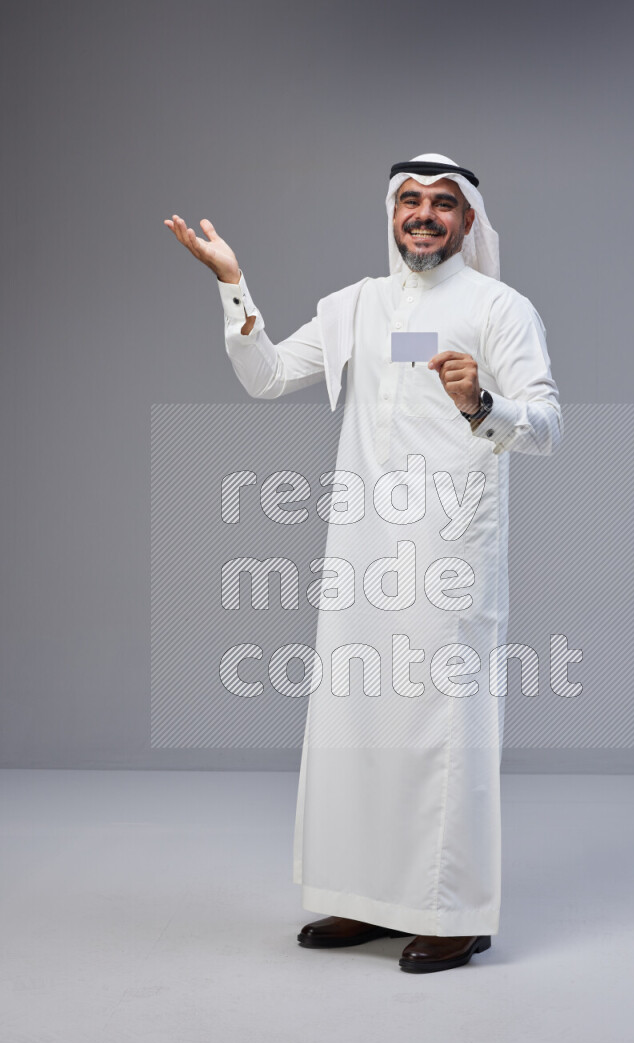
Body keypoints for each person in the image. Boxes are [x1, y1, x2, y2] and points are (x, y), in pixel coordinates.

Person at [165, 153, 563, 974]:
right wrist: (233, 284)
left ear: (467, 221)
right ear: (391, 213)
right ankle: (367, 897)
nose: (423, 215)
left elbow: (549, 423)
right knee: (357, 722)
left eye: (442, 204)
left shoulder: (499, 308)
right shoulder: (358, 307)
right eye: (410, 200)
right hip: (361, 549)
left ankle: (453, 911)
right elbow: (267, 375)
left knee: (442, 728)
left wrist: (483, 402)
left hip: (451, 551)